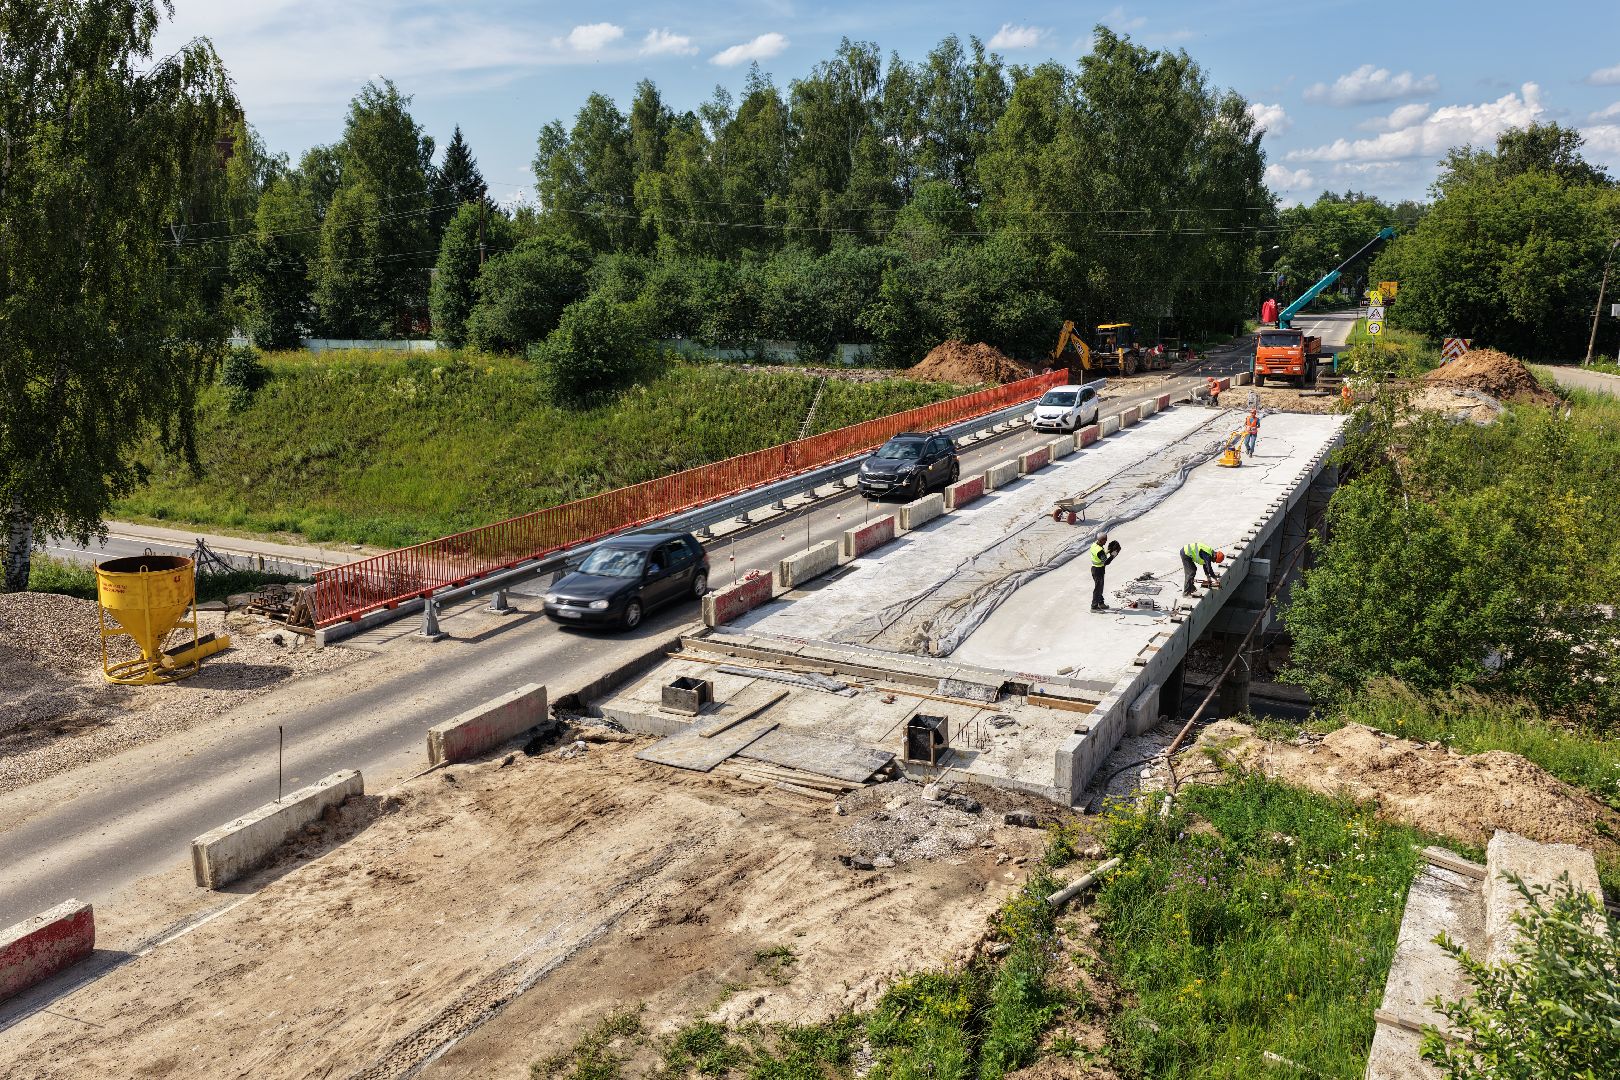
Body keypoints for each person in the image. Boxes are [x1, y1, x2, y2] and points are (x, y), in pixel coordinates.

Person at [1090, 534, 1122, 611]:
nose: (1106, 541)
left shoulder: (1094, 545)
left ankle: (1101, 603)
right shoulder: (1099, 550)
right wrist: (1114, 554)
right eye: (1105, 540)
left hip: (1095, 569)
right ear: (1100, 540)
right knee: (1098, 589)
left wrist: (1108, 551)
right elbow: (1106, 562)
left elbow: (1101, 554)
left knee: (1100, 587)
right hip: (1098, 570)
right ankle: (1094, 607)